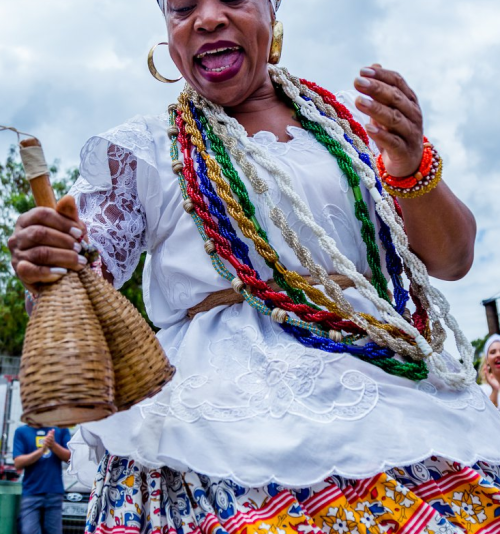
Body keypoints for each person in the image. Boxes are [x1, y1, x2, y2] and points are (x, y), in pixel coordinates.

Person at [8, 0, 500, 532]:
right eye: (182, 7)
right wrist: (51, 261)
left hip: (390, 394)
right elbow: (78, 277)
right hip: (220, 429)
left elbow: (452, 260)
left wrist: (406, 164)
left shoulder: (347, 139)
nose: (208, 18)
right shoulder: (146, 148)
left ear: (272, 9)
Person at [13, 425, 71, 534]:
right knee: (29, 531)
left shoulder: (60, 429)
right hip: (31, 493)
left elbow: (70, 458)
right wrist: (42, 450)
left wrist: (53, 445)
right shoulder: (21, 431)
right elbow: (18, 463)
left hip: (54, 492)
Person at [481, 334, 500, 408]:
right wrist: (495, 390)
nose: (498, 354)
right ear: (487, 360)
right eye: (493, 352)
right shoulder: (483, 390)